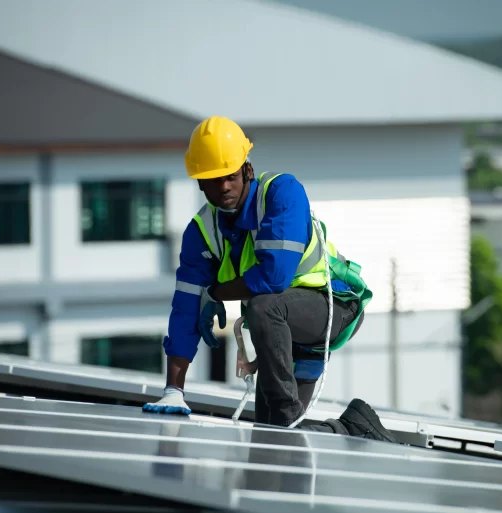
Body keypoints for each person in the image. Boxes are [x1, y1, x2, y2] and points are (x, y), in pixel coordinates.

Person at [143, 116, 397, 443]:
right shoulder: (201, 233)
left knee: (264, 308)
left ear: (247, 170)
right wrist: (173, 391)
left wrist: (216, 292)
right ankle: (347, 427)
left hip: (331, 308)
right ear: (199, 183)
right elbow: (184, 311)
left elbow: (273, 277)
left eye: (230, 176)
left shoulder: (281, 194)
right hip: (284, 333)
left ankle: (291, 421)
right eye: (212, 179)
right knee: (271, 443)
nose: (223, 187)